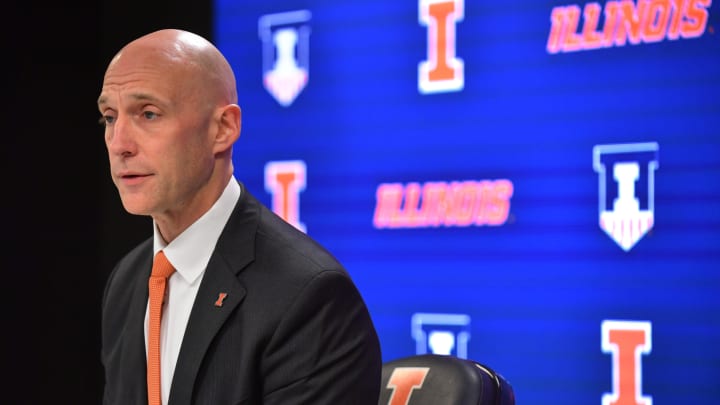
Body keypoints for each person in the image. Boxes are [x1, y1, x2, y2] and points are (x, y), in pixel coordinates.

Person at [98, 28, 382, 405]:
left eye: (148, 114)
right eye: (109, 117)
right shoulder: (128, 280)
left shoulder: (308, 296)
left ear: (223, 129)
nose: (119, 144)